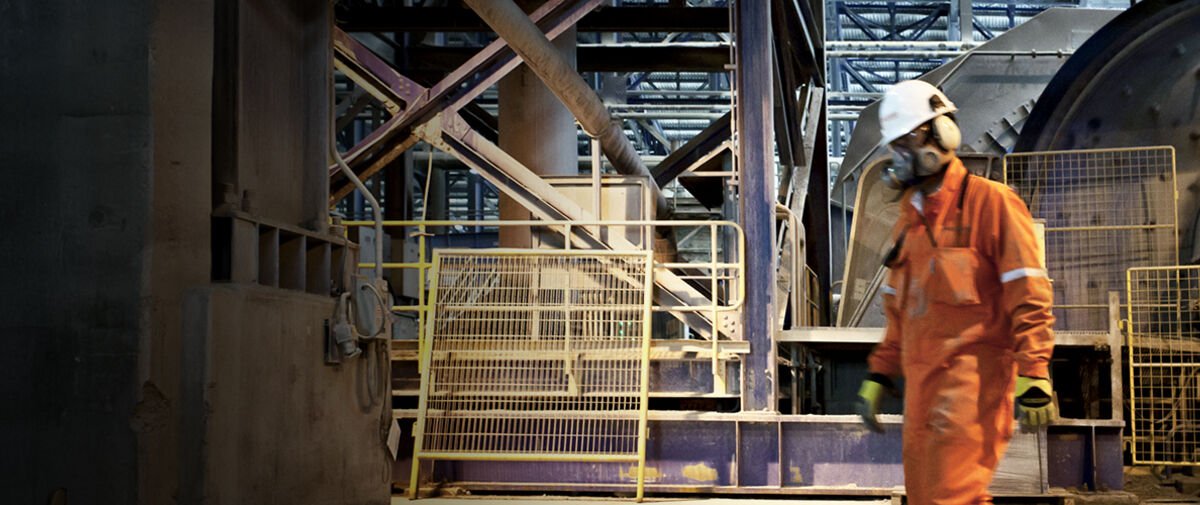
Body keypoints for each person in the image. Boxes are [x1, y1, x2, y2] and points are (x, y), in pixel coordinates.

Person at [855, 80, 1057, 505]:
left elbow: (1030, 293)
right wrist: (880, 371)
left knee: (954, 498)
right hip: (922, 394)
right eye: (896, 144)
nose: (900, 155)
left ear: (940, 134)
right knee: (925, 497)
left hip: (971, 391)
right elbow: (900, 314)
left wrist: (1034, 370)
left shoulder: (993, 204)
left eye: (906, 140)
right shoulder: (910, 224)